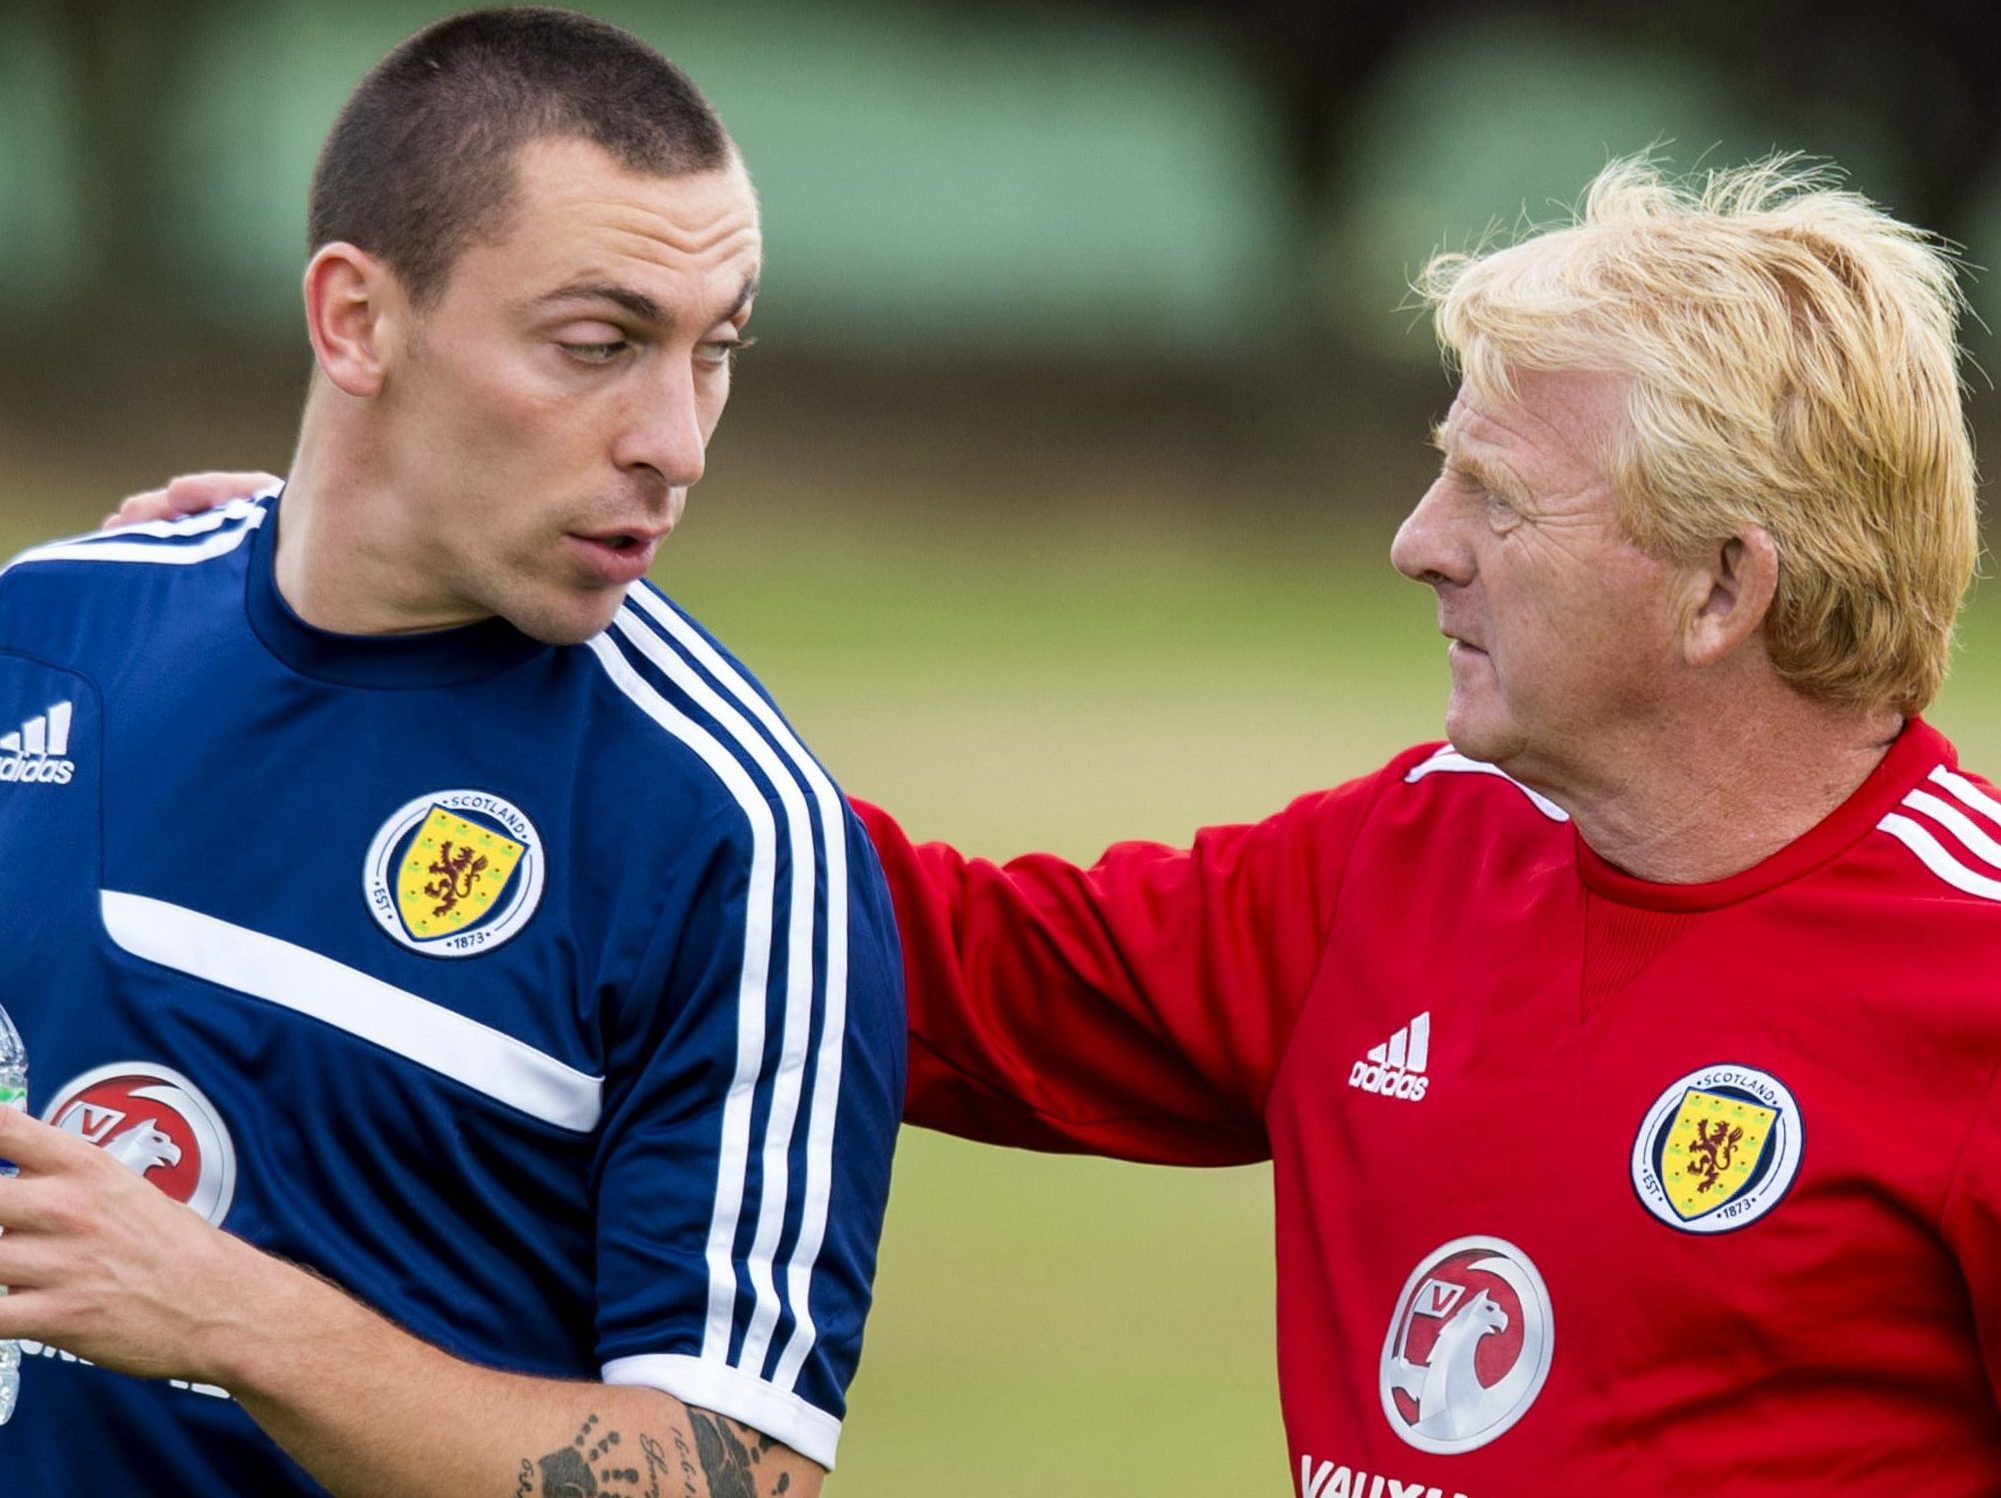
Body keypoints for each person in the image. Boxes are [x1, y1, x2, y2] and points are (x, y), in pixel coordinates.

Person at [123, 162, 2001, 1491]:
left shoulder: (1970, 981)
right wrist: (412, 598)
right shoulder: (1419, 853)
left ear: (1718, 586)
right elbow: (893, 952)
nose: (1417, 541)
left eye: (1492, 495)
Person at [0, 10, 903, 1498]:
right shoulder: (47, 634)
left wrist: (233, 1318)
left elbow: (745, 1477)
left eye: (715, 350)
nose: (675, 440)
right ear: (357, 319)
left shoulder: (737, 832)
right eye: (599, 345)